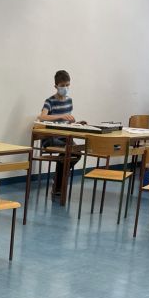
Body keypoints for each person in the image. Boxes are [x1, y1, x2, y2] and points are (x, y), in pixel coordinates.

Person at [37, 69, 83, 201]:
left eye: (67, 85)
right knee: (68, 152)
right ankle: (58, 185)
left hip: (65, 137)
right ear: (56, 86)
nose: (65, 88)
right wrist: (61, 116)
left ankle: (57, 180)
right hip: (51, 138)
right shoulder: (50, 101)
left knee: (77, 153)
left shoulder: (69, 101)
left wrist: (76, 123)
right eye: (62, 85)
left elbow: (66, 122)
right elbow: (42, 117)